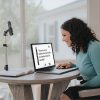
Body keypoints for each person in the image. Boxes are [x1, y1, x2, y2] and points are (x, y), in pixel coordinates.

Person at [56, 18, 100, 100]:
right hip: (89, 86)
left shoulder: (94, 47)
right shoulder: (80, 48)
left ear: (74, 34)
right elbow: (89, 67)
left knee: (67, 94)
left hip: (97, 90)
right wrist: (72, 65)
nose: (63, 39)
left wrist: (83, 86)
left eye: (64, 35)